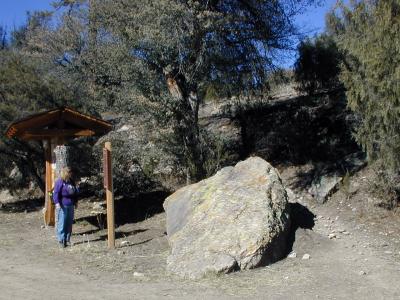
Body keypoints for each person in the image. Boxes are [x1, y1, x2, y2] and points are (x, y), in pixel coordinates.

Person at [53, 167, 79, 247]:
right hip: (62, 205)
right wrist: (57, 203)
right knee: (62, 222)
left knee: (69, 223)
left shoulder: (71, 181)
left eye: (70, 172)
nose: (71, 173)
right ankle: (61, 240)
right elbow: (56, 193)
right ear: (65, 173)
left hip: (70, 204)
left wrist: (76, 201)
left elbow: (75, 192)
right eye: (69, 172)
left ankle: (67, 239)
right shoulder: (59, 182)